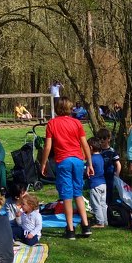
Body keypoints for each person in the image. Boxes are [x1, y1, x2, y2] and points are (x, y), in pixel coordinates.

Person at [40, 97, 94, 239]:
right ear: (70, 109)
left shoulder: (52, 123)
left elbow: (48, 146)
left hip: (63, 160)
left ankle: (70, 229)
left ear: (57, 109)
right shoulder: (76, 123)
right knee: (78, 193)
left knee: (67, 196)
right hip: (77, 160)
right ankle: (85, 225)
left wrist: (43, 163)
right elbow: (85, 144)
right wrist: (89, 162)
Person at [87, 132, 114, 227]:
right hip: (103, 183)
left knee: (96, 204)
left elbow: (87, 172)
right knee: (103, 204)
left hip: (95, 184)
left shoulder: (91, 159)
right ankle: (105, 221)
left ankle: (99, 222)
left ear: (90, 148)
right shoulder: (101, 157)